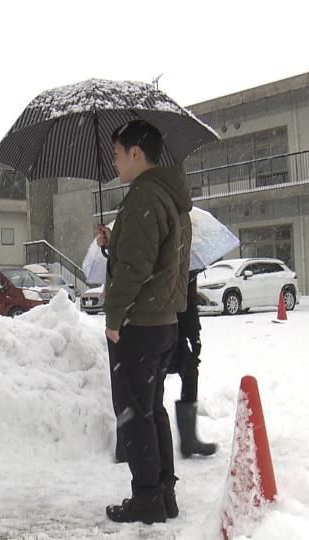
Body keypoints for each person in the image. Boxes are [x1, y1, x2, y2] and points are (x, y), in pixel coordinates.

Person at [95, 119, 192, 524]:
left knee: (134, 414)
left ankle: (148, 498)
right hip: (164, 321)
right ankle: (163, 493)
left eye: (117, 154)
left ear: (136, 152)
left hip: (139, 324)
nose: (114, 163)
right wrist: (111, 243)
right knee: (151, 411)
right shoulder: (168, 196)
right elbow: (157, 260)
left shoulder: (141, 198)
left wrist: (115, 317)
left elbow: (134, 268)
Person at [168, 270, 217, 457]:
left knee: (189, 374)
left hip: (177, 331)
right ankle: (148, 437)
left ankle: (188, 439)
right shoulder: (171, 257)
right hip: (158, 326)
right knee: (153, 383)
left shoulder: (189, 268)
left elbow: (190, 303)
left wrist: (194, 336)